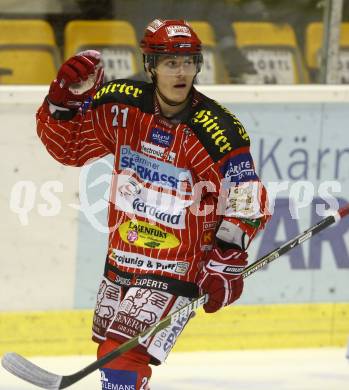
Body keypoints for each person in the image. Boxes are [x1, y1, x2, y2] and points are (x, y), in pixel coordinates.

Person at [36, 19, 270, 390]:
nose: (181, 72)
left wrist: (226, 259)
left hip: (179, 264)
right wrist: (61, 101)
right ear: (150, 65)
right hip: (122, 258)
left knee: (121, 355)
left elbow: (245, 197)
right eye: (170, 63)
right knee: (110, 354)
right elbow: (70, 147)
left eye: (189, 62)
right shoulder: (122, 106)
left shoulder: (217, 130)